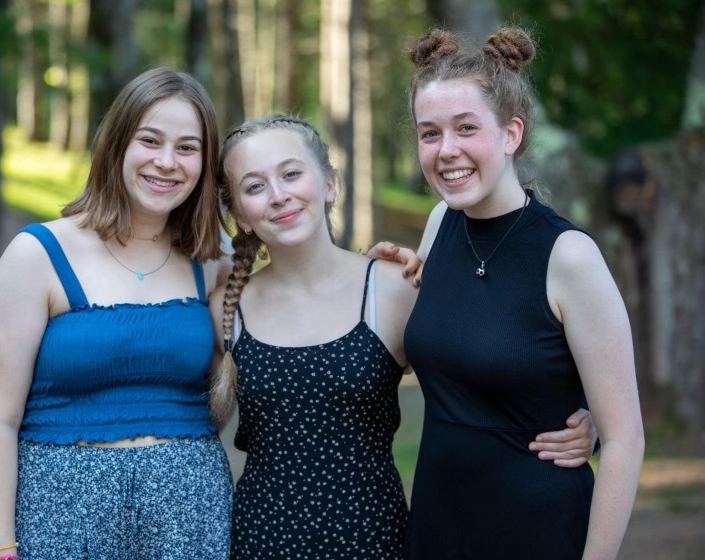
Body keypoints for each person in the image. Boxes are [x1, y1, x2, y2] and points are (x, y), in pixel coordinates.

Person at [207, 115, 597, 560]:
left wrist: (584, 417)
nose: (279, 195)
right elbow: (181, 412)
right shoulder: (224, 310)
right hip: (261, 543)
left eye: (292, 173)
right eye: (255, 186)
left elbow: (491, 364)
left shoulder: (395, 289)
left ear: (330, 184)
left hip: (377, 542)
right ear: (239, 214)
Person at [0, 67, 233, 560]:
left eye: (187, 147)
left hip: (191, 518)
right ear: (116, 143)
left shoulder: (212, 257)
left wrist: (378, 267)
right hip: (62, 518)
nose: (166, 162)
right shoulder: (38, 255)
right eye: (149, 140)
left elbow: (290, 313)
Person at [401, 27, 644, 559]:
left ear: (511, 134)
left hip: (538, 532)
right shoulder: (440, 224)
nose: (447, 150)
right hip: (439, 527)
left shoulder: (569, 256)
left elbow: (625, 440)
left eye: (466, 128)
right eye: (429, 133)